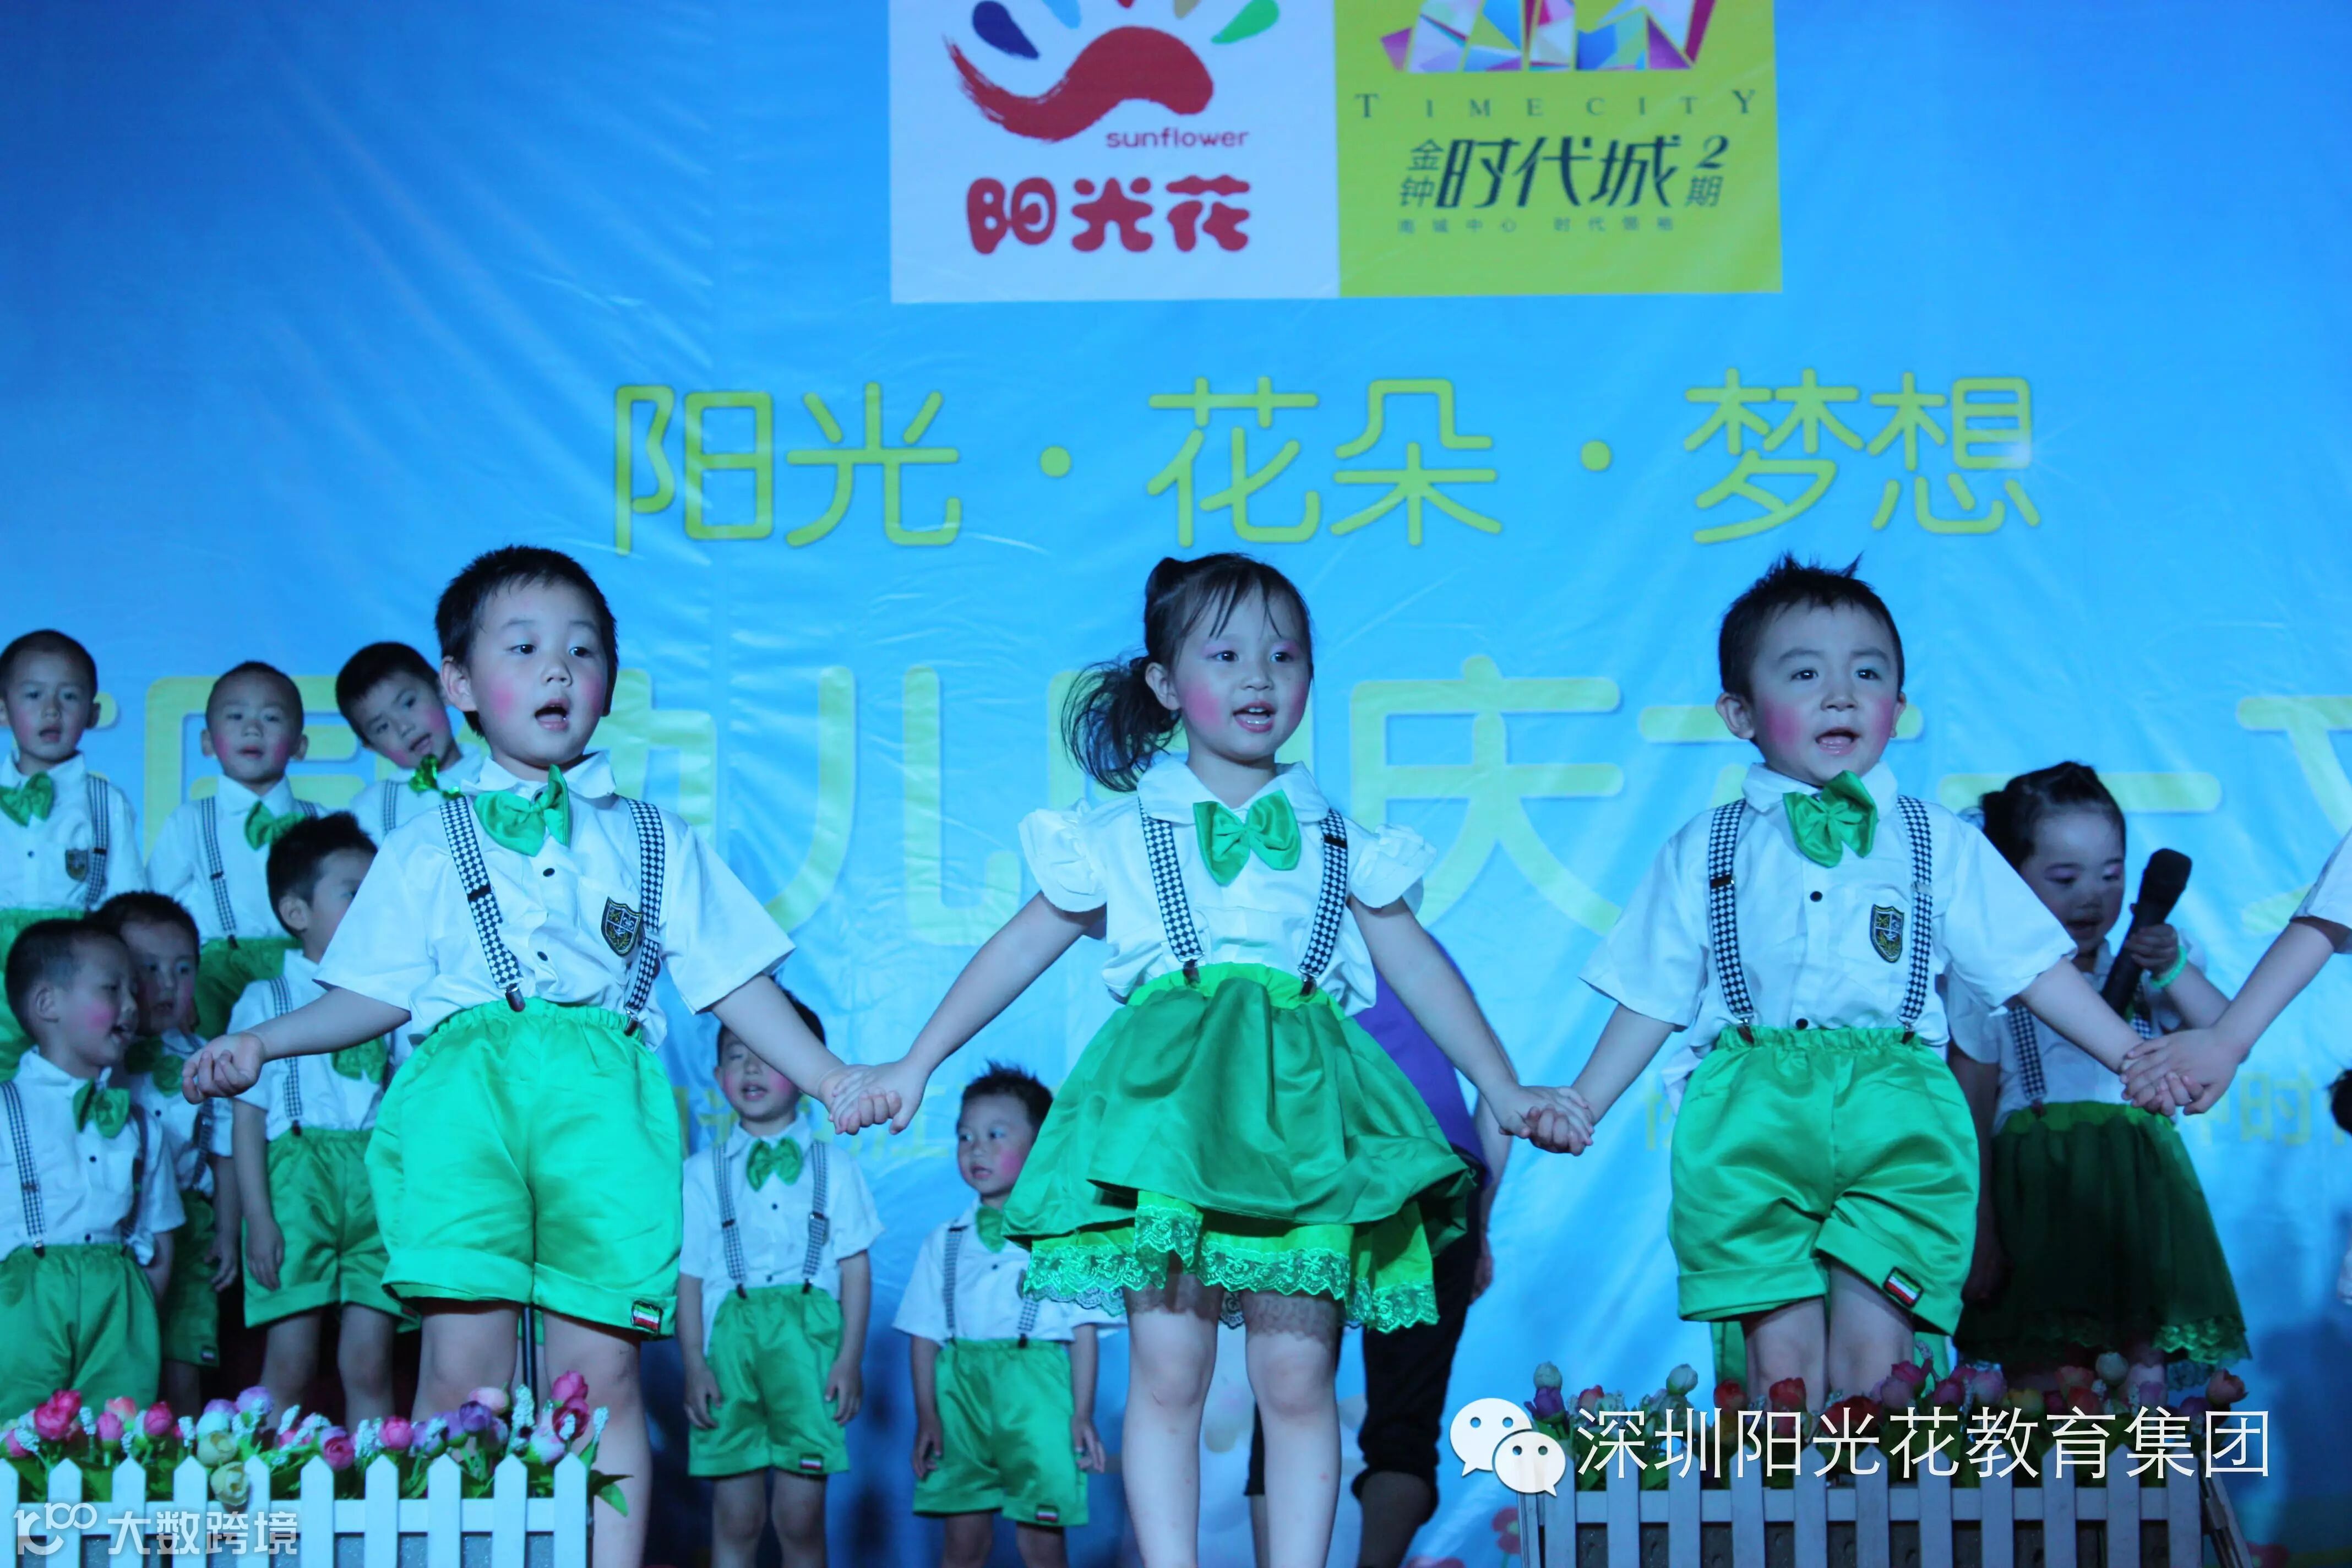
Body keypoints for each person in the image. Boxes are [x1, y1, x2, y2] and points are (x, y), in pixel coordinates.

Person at [835, 553, 1573, 1568]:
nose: (1258, 676)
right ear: (1164, 682)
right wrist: (915, 1062)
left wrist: (1504, 1087)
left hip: (1301, 1122)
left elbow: (1417, 963)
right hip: (1168, 1117)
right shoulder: (1121, 833)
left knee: (1297, 1380)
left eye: (1284, 654)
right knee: (1170, 1372)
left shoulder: (1341, 837)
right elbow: (1020, 944)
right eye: (1224, 655)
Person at [183, 546, 892, 1567]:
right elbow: (372, 993)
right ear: (460, 684)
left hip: (605, 1113)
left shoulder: (654, 837)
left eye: (582, 650)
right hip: (461, 1110)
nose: (558, 668)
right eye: (523, 648)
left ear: (610, 681)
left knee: (599, 1380)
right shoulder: (425, 843)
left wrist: (829, 1077)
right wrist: (262, 1039)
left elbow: (735, 979)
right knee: (461, 1373)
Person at [1560, 555, 2190, 1408]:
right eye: (1804, 674)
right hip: (1750, 1116)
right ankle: (1787, 1499)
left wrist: (2132, 1055)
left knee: (1879, 1363)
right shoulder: (1705, 847)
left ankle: (1874, 1499)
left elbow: (2033, 967)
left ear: (1899, 704)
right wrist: (1585, 1102)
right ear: (1739, 713)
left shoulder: (1938, 840)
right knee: (1780, 1374)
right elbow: (1652, 993)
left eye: (1867, 673)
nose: (1840, 696)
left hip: (1898, 1112)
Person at [1948, 765, 2246, 1381]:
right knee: (2045, 1380)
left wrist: (2172, 967)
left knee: (2142, 1376)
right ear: (2009, 877)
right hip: (2040, 1200)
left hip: (2141, 1197)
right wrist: (1981, 1229)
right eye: (2065, 878)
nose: (2092, 896)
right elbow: (1969, 1115)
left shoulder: (2148, 966)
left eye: (2111, 875)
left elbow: (2226, 1035)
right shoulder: (1986, 983)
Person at [1245, 958, 1515, 1568]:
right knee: (1405, 1413)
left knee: (1284, 1388)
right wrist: (1476, 1222)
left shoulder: (1280, 931)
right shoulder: (1418, 948)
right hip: (1437, 1171)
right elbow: (1500, 1086)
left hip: (1315, 1168)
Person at [679, 1010, 881, 1568]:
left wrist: (848, 1360)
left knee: (799, 1516)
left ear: (805, 1069)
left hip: (809, 1345)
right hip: (730, 1346)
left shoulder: (835, 1168)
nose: (751, 1068)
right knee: (736, 1516)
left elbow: (856, 1270)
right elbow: (690, 1276)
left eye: (768, 1055)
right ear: (718, 1076)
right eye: (737, 1055)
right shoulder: (701, 1172)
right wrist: (694, 1364)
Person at [897, 1064, 1114, 1568]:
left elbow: (1084, 1333)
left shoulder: (1065, 1239)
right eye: (965, 1136)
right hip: (960, 1396)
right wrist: (928, 1415)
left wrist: (1081, 1414)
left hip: (1038, 1395)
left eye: (997, 1135)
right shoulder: (945, 1240)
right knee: (963, 1542)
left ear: (1038, 1146)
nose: (977, 1149)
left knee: (1041, 1542)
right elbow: (924, 1336)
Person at [225, 813, 401, 1420]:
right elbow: (247, 1121)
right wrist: (258, 1218)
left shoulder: (394, 1000)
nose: (373, 907)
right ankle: (263, 1477)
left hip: (373, 1185)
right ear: (297, 912)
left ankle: (375, 1476)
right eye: (354, 893)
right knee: (291, 1364)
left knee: (370, 1364)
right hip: (297, 1189)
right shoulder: (265, 999)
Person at [0, 920, 181, 1413]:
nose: (132, 1005)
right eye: (111, 989)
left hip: (118, 1309)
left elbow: (160, 1236)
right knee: (15, 1438)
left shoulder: (141, 1125)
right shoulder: (6, 1109)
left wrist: (136, 1314)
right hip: (22, 1307)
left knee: (115, 1440)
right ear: (47, 1004)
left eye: (133, 990)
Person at [92, 892, 236, 1413]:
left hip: (190, 1223)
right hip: (117, 1226)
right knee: (117, 1365)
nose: (168, 985)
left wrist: (228, 1231)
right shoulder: (99, 1059)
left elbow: (224, 1155)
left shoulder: (208, 1058)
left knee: (183, 1365)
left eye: (183, 969)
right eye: (148, 969)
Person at [0, 630, 145, 1075]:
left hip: (77, 972)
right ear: (2, 710)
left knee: (75, 1079)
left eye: (68, 696)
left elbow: (126, 904)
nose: (51, 710)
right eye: (33, 695)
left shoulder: (106, 804)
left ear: (94, 713)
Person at [148, 661, 316, 1037]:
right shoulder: (190, 821)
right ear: (207, 742)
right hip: (215, 981)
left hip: (306, 973)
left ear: (300, 745)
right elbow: (157, 912)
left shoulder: (322, 821)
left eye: (271, 718)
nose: (252, 729)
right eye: (236, 716)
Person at [336, 641, 482, 840]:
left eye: (408, 703)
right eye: (382, 727)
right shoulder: (370, 811)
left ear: (443, 690)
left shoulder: (499, 773)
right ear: (372, 747)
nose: (404, 728)